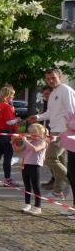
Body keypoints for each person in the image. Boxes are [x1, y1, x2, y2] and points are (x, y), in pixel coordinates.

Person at [29, 68, 75, 204]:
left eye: (53, 78)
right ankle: (58, 191)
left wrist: (69, 129)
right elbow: (50, 113)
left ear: (60, 77)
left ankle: (69, 182)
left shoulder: (65, 90)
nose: (50, 81)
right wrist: (37, 117)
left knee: (50, 158)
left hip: (63, 131)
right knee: (61, 162)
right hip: (55, 130)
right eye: (48, 79)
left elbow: (72, 110)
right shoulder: (54, 92)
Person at [13, 123, 48, 215]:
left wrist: (25, 140)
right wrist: (13, 142)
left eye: (34, 133)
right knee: (27, 186)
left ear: (40, 133)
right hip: (26, 165)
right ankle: (27, 204)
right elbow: (18, 150)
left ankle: (37, 207)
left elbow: (35, 149)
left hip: (35, 165)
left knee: (36, 186)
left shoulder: (43, 142)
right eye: (30, 133)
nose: (31, 135)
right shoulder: (30, 142)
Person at [0, 85, 21, 186]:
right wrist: (17, 119)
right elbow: (9, 122)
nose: (13, 97)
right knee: (8, 156)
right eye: (12, 95)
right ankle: (8, 179)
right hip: (5, 133)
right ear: (7, 95)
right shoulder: (7, 106)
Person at [39, 86, 54, 189]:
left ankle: (58, 181)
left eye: (47, 94)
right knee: (49, 158)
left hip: (55, 132)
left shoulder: (56, 103)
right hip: (47, 132)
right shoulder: (46, 102)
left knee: (52, 158)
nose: (45, 96)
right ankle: (54, 179)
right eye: (44, 94)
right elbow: (44, 116)